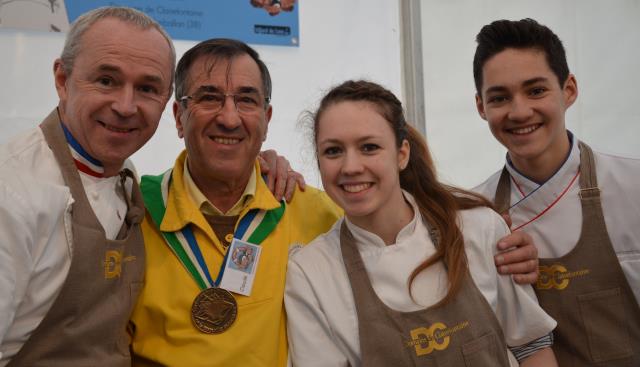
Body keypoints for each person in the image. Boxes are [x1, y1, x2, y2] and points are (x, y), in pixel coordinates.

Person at [285, 80, 558, 367]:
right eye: (333, 151)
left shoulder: (478, 228)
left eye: (369, 147)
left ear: (401, 154)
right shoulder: (310, 272)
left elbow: (532, 347)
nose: (350, 166)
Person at [128, 38, 342, 367]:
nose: (229, 118)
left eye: (246, 100)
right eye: (209, 98)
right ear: (179, 116)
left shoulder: (319, 214)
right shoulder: (132, 216)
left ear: (266, 118)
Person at [0, 6, 175, 366]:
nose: (126, 107)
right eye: (107, 80)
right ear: (62, 80)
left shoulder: (126, 177)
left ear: (166, 99)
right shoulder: (12, 191)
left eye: (146, 88)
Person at [472, 18, 640, 366]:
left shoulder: (632, 187)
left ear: (569, 90)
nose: (519, 112)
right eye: (500, 97)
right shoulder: (475, 217)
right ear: (480, 107)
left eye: (536, 91)